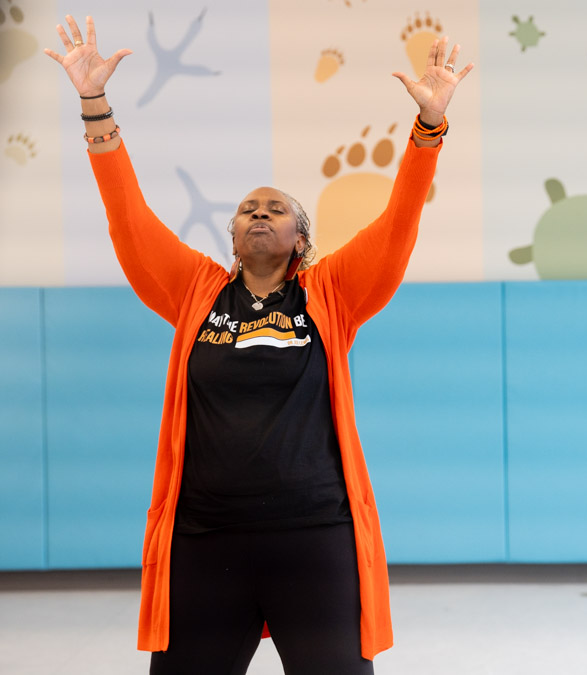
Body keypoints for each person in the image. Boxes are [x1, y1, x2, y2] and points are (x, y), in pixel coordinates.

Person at [45, 14, 472, 674]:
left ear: (301, 238)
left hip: (315, 536)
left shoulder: (331, 292)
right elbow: (128, 217)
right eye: (248, 208)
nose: (260, 213)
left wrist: (429, 131)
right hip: (204, 539)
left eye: (276, 208)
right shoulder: (194, 289)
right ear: (233, 234)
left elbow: (398, 225)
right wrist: (94, 105)